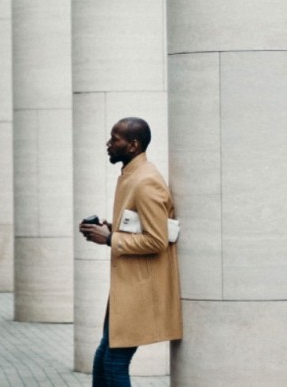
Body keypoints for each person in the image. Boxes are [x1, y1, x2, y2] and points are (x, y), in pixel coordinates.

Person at [79, 117, 182, 386]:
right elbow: (140, 226)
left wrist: (111, 239)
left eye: (115, 139)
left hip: (140, 288)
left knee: (113, 361)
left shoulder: (145, 181)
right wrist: (107, 229)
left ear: (133, 145)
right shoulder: (132, 176)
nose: (109, 144)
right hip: (127, 287)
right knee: (104, 358)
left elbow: (157, 240)